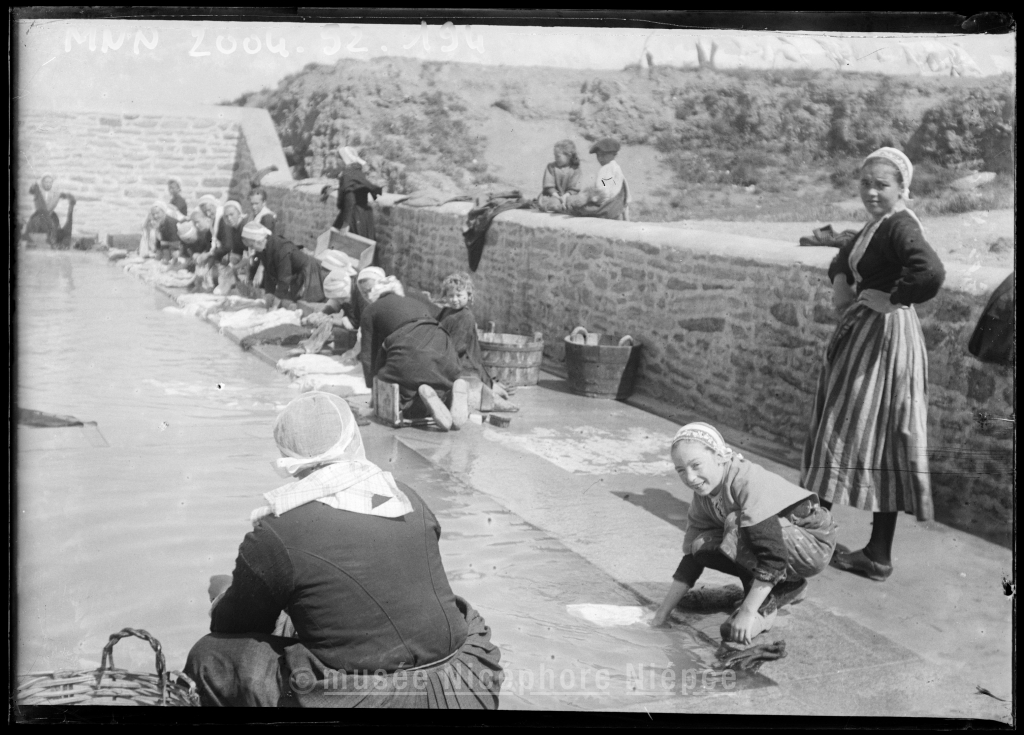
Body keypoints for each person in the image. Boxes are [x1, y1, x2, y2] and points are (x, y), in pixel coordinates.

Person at [184, 392, 503, 707]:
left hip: (374, 701)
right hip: (468, 684)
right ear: (352, 439)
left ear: (289, 456)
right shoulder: (406, 497)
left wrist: (223, 595)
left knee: (208, 656)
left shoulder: (277, 531)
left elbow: (235, 626)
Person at [802, 147, 945, 582]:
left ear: (902, 188)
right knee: (865, 431)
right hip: (868, 335)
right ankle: (868, 550)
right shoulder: (876, 225)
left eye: (882, 185)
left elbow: (930, 272)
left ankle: (814, 538)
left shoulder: (900, 225)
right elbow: (844, 255)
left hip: (884, 338)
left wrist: (894, 297)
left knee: (854, 429)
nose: (872, 192)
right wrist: (840, 281)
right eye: (866, 183)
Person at [652, 423, 837, 644]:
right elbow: (691, 558)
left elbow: (774, 557)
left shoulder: (745, 481)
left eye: (696, 465)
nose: (690, 477)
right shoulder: (703, 496)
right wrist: (661, 614)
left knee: (737, 524)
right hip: (777, 545)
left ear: (719, 457)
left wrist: (748, 613)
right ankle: (787, 587)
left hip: (812, 543)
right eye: (681, 470)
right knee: (700, 545)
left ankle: (764, 606)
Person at [357, 269, 468, 431]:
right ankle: (447, 397)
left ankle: (419, 404)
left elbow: (368, 356)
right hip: (445, 351)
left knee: (391, 381)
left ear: (374, 295)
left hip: (410, 347)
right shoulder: (416, 302)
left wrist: (374, 389)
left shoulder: (371, 310)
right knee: (432, 375)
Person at [436, 272, 517, 412]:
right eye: (450, 295)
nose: (454, 299)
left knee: (474, 383)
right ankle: (492, 387)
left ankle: (493, 393)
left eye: (459, 295)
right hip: (448, 354)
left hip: (462, 360)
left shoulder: (466, 317)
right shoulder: (445, 311)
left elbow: (457, 347)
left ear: (468, 295)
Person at [243, 222, 326, 308]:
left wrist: (275, 304)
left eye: (251, 246)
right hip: (295, 273)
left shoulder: (280, 248)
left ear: (258, 241)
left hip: (309, 271)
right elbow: (268, 273)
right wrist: (269, 294)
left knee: (306, 303)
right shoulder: (264, 249)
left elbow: (284, 278)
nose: (251, 249)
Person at [566, 137, 630, 220]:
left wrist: (589, 198)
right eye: (598, 155)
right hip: (617, 207)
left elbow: (602, 192)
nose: (600, 158)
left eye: (603, 155)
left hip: (607, 207)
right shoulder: (616, 168)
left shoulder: (606, 168)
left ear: (614, 154)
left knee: (576, 207)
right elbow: (626, 194)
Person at [331, 146, 384, 242]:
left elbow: (350, 200)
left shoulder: (347, 175)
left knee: (342, 244)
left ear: (344, 159)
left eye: (338, 159)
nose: (337, 162)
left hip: (353, 217)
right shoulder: (357, 172)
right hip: (364, 216)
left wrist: (346, 223)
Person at [24, 174, 76, 247]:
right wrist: (33, 187)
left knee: (54, 226)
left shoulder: (54, 193)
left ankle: (52, 240)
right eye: (46, 182)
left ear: (52, 183)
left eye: (50, 182)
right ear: (42, 183)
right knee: (35, 223)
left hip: (51, 214)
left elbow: (63, 196)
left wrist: (67, 196)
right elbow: (31, 191)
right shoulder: (39, 191)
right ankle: (36, 240)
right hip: (40, 213)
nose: (48, 184)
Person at [537, 140, 583, 213]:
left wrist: (565, 196)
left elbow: (574, 188)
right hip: (553, 196)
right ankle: (559, 207)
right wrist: (557, 196)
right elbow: (549, 186)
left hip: (568, 196)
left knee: (574, 201)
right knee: (553, 202)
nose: (555, 158)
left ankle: (565, 206)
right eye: (554, 155)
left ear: (569, 156)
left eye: (558, 156)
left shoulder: (575, 169)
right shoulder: (551, 167)